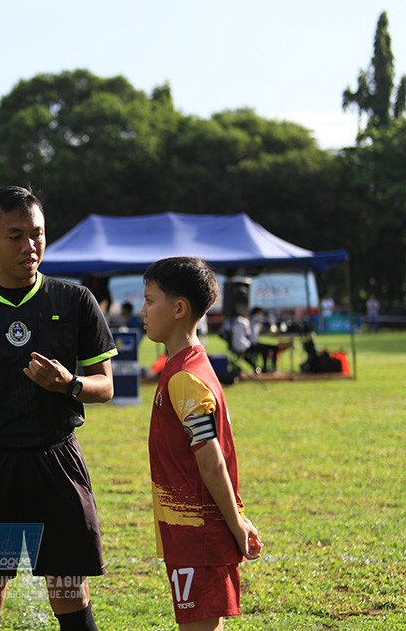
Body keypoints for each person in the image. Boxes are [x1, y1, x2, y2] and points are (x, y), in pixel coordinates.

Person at [0, 186, 117, 631]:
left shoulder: (74, 301)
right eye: (15, 236)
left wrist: (70, 385)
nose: (30, 246)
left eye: (38, 234)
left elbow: (105, 386)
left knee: (70, 594)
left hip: (57, 463)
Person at [139, 257, 261, 630]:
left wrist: (237, 523)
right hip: (191, 534)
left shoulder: (186, 379)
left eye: (149, 300)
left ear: (178, 309)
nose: (141, 311)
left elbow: (211, 462)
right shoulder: (189, 366)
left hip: (199, 536)